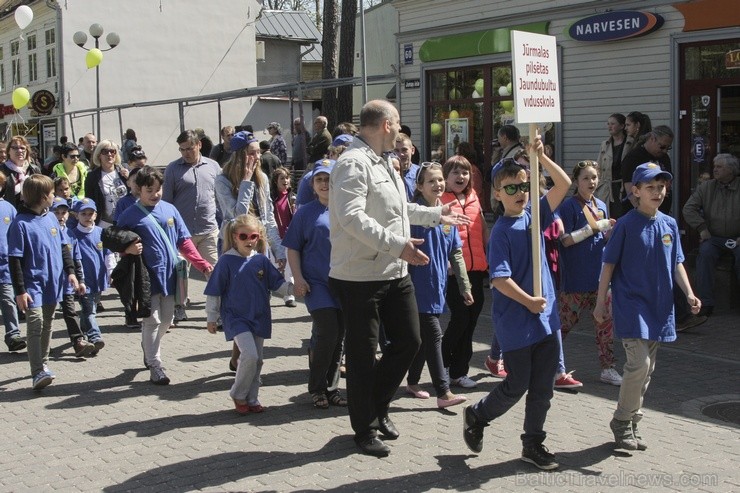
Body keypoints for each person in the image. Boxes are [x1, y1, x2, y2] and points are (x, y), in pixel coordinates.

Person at [328, 99, 468, 457]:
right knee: (361, 356)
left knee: (409, 340)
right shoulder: (352, 163)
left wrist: (437, 215)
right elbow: (352, 218)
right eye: (399, 122)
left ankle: (377, 406)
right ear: (386, 125)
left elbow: (397, 208)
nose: (402, 130)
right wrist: (398, 245)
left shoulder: (384, 162)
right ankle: (364, 428)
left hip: (393, 270)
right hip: (359, 277)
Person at [462, 135, 571, 471]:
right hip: (518, 321)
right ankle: (477, 416)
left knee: (543, 387)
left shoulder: (536, 213)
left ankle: (533, 443)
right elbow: (499, 281)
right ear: (496, 194)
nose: (519, 193)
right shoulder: (502, 233)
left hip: (545, 318)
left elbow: (563, 183)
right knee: (516, 385)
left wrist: (539, 157)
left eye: (523, 186)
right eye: (510, 188)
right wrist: (528, 301)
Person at [594, 163, 701, 451]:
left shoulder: (668, 224)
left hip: (660, 306)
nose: (657, 192)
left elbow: (677, 261)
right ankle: (621, 419)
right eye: (650, 187)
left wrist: (689, 293)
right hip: (631, 305)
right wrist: (600, 302)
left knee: (648, 368)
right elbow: (609, 264)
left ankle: (631, 420)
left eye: (661, 187)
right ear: (635, 191)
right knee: (638, 364)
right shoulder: (626, 224)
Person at [116, 166, 213, 385]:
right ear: (138, 190)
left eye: (158, 189)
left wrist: (202, 264)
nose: (155, 194)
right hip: (146, 277)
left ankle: (149, 347)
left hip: (171, 275)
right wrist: (127, 250)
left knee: (167, 320)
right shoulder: (129, 214)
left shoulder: (170, 210)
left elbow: (184, 241)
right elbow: (115, 241)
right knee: (153, 320)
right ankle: (155, 365)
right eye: (149, 190)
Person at [205, 214, 293, 414]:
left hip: (259, 316)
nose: (249, 241)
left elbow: (277, 284)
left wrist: (293, 288)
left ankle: (252, 398)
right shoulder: (226, 261)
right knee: (250, 355)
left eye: (253, 236)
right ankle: (238, 393)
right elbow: (214, 292)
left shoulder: (261, 260)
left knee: (258, 360)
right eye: (243, 236)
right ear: (234, 237)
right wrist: (211, 317)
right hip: (236, 317)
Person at [215, 131, 288, 369]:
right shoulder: (223, 180)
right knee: (239, 302)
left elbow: (268, 220)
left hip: (259, 245)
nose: (257, 157)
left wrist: (279, 251)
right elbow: (237, 215)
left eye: (258, 151)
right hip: (235, 244)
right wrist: (245, 182)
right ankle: (243, 356)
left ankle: (243, 358)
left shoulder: (263, 179)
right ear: (239, 156)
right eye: (252, 153)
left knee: (257, 301)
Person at [8, 175, 84, 389]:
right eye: (52, 193)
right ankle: (37, 372)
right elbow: (14, 260)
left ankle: (44, 363)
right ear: (43, 197)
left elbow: (63, 247)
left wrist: (70, 272)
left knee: (48, 324)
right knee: (35, 325)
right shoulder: (20, 224)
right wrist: (20, 290)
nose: (55, 196)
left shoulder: (51, 218)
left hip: (53, 282)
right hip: (33, 285)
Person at [405, 162, 471, 409]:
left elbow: (455, 252)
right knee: (433, 335)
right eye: (431, 181)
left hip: (437, 287)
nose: (438, 184)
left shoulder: (448, 215)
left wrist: (465, 286)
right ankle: (443, 392)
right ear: (419, 186)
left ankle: (412, 382)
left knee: (422, 340)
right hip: (415, 286)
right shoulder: (413, 213)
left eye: (440, 179)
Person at [283, 164, 347, 409]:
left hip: (345, 282)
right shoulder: (306, 213)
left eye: (328, 179)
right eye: (319, 179)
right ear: (312, 185)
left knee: (340, 336)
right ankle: (317, 387)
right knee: (328, 332)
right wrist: (298, 278)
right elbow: (293, 247)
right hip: (317, 284)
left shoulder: (347, 209)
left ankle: (332, 389)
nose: (323, 183)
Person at [556, 160, 622, 386]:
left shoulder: (601, 205)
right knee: (562, 327)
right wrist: (591, 229)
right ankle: (550, 365)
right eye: (586, 178)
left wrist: (609, 233)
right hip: (575, 279)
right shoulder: (568, 207)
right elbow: (563, 241)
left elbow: (600, 238)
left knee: (605, 325)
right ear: (576, 181)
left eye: (594, 177)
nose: (591, 182)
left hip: (600, 279)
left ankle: (608, 368)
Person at [163, 129, 221, 322]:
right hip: (182, 234)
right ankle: (179, 306)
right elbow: (167, 203)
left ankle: (218, 311)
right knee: (180, 272)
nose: (186, 153)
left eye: (189, 148)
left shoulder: (213, 167)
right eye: (182, 149)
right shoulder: (172, 169)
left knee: (214, 271)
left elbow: (220, 198)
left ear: (199, 145)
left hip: (208, 230)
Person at [441, 155, 488, 389]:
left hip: (477, 269)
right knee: (459, 319)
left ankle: (459, 372)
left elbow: (482, 228)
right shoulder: (440, 200)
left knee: (471, 322)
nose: (461, 177)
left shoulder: (473, 197)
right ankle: (442, 363)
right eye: (455, 173)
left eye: (465, 172)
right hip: (454, 271)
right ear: (445, 176)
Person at [682, 153, 740, 318]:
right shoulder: (707, 187)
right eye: (714, 166)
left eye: (720, 167)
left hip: (737, 238)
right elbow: (688, 208)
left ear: (731, 170)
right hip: (714, 237)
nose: (715, 169)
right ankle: (706, 303)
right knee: (705, 255)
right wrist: (702, 228)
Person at [69, 198, 115, 355]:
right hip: (84, 282)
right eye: (84, 214)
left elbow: (108, 254)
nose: (88, 217)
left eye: (91, 213)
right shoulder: (73, 235)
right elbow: (73, 260)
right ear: (76, 216)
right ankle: (95, 337)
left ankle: (83, 329)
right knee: (89, 311)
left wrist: (111, 272)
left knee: (91, 308)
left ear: (96, 215)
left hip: (99, 279)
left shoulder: (100, 233)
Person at [50, 196, 95, 357]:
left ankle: (78, 342)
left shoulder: (70, 234)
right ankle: (43, 344)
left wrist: (80, 280)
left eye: (64, 212)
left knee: (70, 311)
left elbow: (77, 260)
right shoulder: (47, 230)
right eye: (57, 212)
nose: (61, 216)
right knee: (47, 316)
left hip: (67, 282)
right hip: (49, 283)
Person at [620, 125, 674, 215]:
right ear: (652, 139)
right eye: (662, 147)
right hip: (638, 215)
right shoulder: (634, 157)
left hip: (661, 214)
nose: (665, 151)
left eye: (668, 148)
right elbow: (630, 190)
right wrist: (644, 214)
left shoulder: (664, 158)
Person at [0, 172, 25, 352]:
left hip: (4, 265)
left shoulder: (8, 208)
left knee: (8, 300)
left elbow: (16, 234)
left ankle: (13, 334)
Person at [83, 140, 129, 227]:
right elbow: (90, 201)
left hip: (126, 222)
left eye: (112, 151)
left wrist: (129, 178)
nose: (109, 154)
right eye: (105, 151)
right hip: (104, 224)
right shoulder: (92, 177)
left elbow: (137, 193)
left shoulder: (125, 171)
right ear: (99, 155)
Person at [596, 113, 633, 217]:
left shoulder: (630, 143)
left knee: (623, 215)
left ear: (622, 126)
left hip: (623, 187)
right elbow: (598, 167)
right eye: (608, 124)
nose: (609, 126)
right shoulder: (605, 144)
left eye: (613, 124)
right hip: (607, 188)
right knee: (606, 217)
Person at [1, 136, 42, 207]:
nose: (19, 151)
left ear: (27, 151)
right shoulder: (2, 170)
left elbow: (41, 191)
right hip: (9, 213)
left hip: (30, 212)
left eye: (22, 148)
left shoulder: (34, 169)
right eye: (15, 148)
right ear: (8, 151)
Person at [394, 134, 419, 201]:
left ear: (412, 150)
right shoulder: (388, 173)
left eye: (404, 150)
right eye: (396, 150)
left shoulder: (420, 173)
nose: (401, 154)